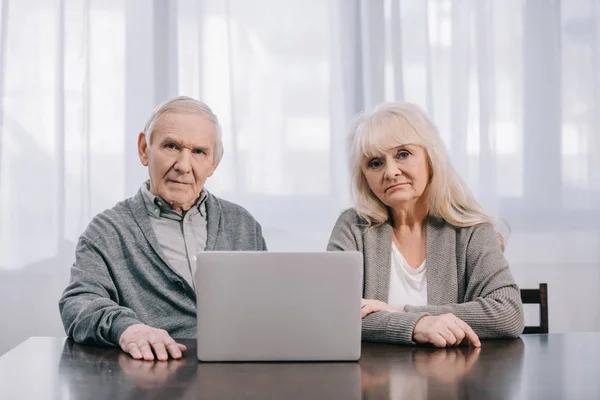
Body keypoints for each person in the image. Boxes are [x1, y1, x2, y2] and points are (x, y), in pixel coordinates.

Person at [59, 96, 267, 361]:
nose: (183, 165)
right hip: (151, 378)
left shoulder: (243, 225)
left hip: (233, 378)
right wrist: (128, 328)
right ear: (144, 149)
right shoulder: (107, 230)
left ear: (213, 164)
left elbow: (265, 308)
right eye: (171, 146)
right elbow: (78, 303)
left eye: (199, 152)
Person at [327, 101, 524, 347]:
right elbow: (334, 314)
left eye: (403, 154)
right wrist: (418, 325)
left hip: (453, 379)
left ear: (430, 159)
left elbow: (508, 314)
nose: (390, 172)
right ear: (364, 177)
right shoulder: (353, 226)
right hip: (373, 379)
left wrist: (399, 312)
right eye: (375, 163)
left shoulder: (470, 228)